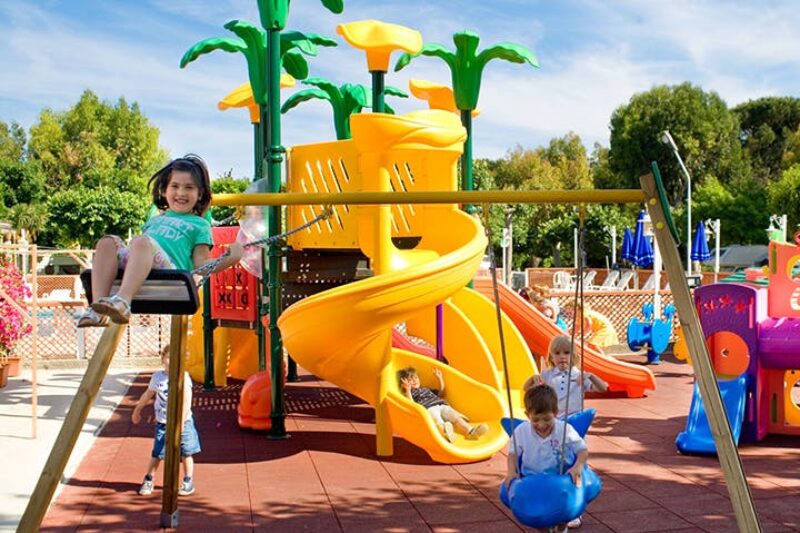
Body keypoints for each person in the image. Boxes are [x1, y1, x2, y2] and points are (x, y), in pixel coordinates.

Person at [77, 154, 243, 327]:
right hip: (143, 265)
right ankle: (98, 309)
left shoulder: (200, 225)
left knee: (141, 241)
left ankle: (123, 301)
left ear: (200, 194)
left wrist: (230, 258)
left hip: (171, 272)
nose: (181, 193)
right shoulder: (154, 220)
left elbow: (200, 265)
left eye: (189, 188)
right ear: (164, 191)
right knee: (107, 241)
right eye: (175, 186)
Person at [505, 384, 589, 531]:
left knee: (562, 513)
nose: (542, 425)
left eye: (546, 419)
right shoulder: (521, 431)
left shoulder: (564, 429)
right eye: (535, 420)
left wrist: (578, 467)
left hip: (560, 477)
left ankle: (562, 528)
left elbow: (582, 450)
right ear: (527, 415)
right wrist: (511, 471)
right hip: (533, 478)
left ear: (555, 413)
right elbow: (512, 454)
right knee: (539, 518)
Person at [132, 344, 200, 496]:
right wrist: (137, 409)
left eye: (176, 358)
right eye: (169, 358)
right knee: (157, 453)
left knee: (186, 452)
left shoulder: (183, 376)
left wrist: (180, 423)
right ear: (163, 358)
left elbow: (187, 401)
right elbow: (148, 394)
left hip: (184, 422)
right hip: (163, 422)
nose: (172, 361)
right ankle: (149, 478)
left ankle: (188, 480)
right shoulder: (157, 377)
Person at [398, 366, 488, 443]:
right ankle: (446, 435)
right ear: (403, 384)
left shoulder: (426, 389)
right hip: (428, 408)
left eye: (416, 378)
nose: (414, 381)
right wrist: (408, 390)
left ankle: (471, 431)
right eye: (410, 379)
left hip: (442, 405)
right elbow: (412, 404)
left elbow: (441, 393)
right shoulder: (408, 394)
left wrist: (440, 378)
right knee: (438, 421)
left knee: (456, 417)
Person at [525, 335, 608, 416]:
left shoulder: (579, 375)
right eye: (557, 353)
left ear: (573, 356)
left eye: (566, 353)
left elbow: (603, 388)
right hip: (554, 419)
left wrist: (591, 376)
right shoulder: (547, 374)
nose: (562, 357)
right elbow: (526, 388)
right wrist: (532, 379)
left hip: (574, 417)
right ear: (551, 357)